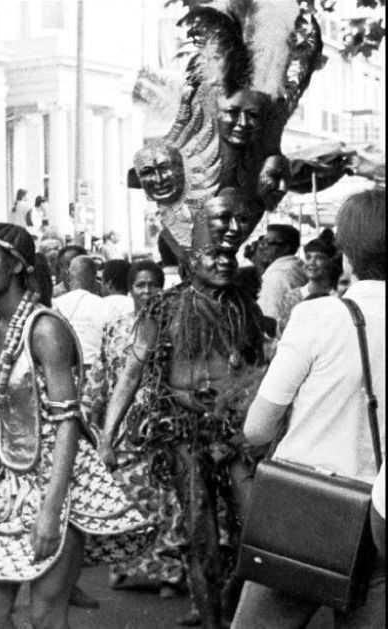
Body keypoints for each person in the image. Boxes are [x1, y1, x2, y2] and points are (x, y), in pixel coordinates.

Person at [0, 223, 153, 629]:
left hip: (57, 480)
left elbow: (70, 423)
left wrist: (51, 511)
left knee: (46, 615)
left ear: (15, 266)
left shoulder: (45, 329)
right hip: (11, 481)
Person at [232, 189, 385, 628]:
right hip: (381, 518)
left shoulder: (317, 316)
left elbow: (258, 428)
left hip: (307, 514)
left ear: (348, 254)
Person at [102, 244, 268, 629]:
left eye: (229, 253)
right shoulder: (164, 308)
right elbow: (131, 371)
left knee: (260, 528)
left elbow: (259, 369)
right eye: (213, 253)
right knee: (200, 534)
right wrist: (107, 435)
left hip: (235, 433)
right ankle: (212, 620)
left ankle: (229, 601)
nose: (224, 261)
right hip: (183, 434)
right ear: (190, 260)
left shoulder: (243, 307)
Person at [83, 260, 184, 597]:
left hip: (165, 426)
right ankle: (125, 567)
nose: (146, 291)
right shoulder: (115, 328)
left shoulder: (175, 327)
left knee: (167, 501)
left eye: (152, 284)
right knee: (126, 498)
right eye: (139, 285)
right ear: (130, 289)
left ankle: (169, 573)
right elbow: (102, 379)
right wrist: (98, 430)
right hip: (125, 428)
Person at [275, 233, 341, 335]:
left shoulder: (339, 296)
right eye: (308, 257)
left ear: (331, 262)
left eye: (319, 258)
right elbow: (283, 334)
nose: (311, 262)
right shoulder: (292, 298)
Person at [53, 255, 107, 369]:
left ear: (68, 276)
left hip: (63, 370)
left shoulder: (55, 304)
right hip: (95, 371)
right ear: (94, 278)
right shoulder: (104, 305)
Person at [255, 224, 306, 321]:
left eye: (267, 243)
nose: (261, 247)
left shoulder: (279, 274)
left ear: (285, 248)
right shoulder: (297, 265)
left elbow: (272, 315)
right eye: (261, 242)